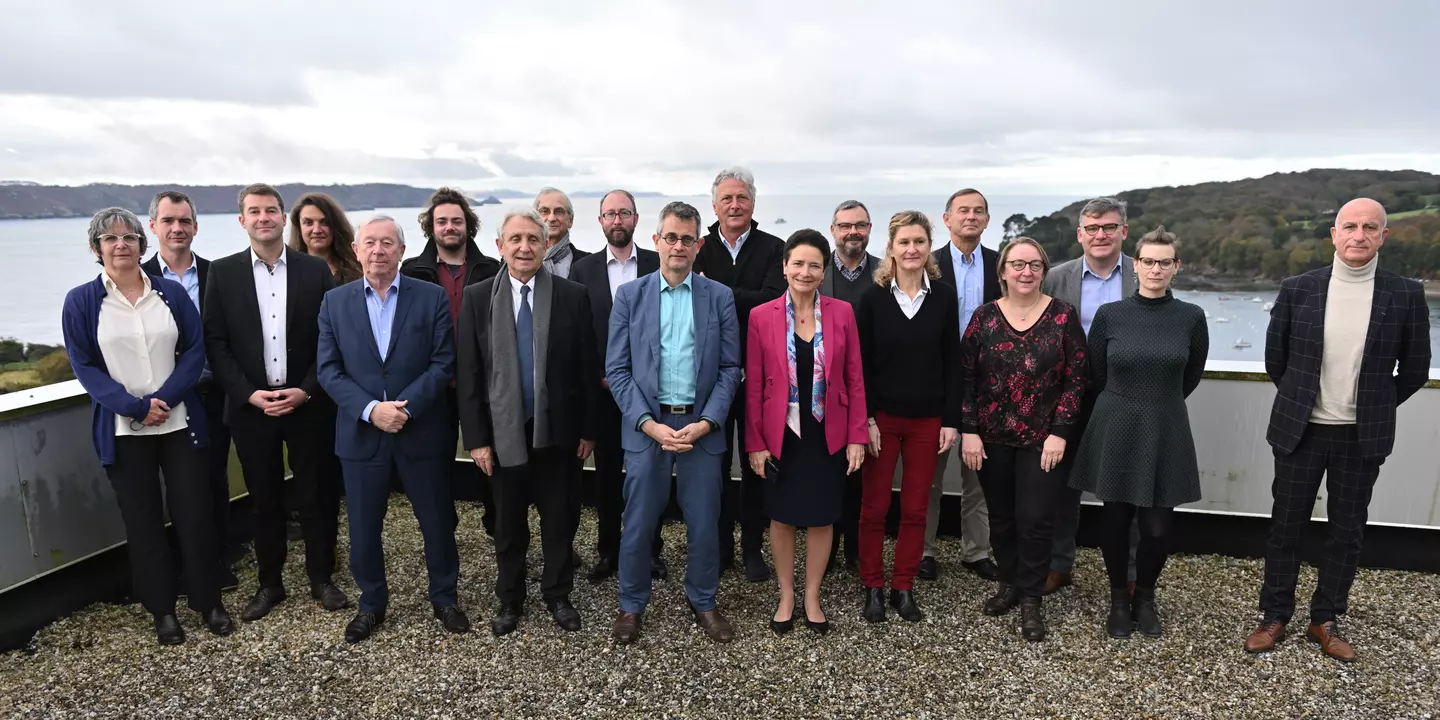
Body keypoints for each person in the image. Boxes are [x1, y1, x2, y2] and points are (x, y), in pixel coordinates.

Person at [1244, 198, 1431, 663]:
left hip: (1360, 435)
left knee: (1347, 532)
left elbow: (1414, 369)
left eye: (1370, 227)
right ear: (1333, 234)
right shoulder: (1298, 289)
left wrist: (1372, 405)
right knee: (1286, 528)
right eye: (1350, 226)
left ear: (1383, 236)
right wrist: (1306, 400)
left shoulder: (1405, 293)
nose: (1359, 235)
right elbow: (1276, 360)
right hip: (1300, 430)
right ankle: (1274, 614)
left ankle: (1324, 618)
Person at [62, 207, 233, 645]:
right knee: (143, 524)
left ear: (142, 243)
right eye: (110, 239)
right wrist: (135, 406)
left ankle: (208, 601)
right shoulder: (81, 301)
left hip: (180, 425)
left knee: (195, 516)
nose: (121, 245)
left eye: (129, 237)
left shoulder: (170, 294)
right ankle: (163, 611)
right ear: (96, 249)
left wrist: (166, 400)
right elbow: (84, 365)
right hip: (124, 433)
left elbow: (194, 351)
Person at [317, 215, 468, 643]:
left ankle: (444, 597)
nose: (379, 250)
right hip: (362, 434)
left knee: (437, 521)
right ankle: (371, 604)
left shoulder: (431, 297)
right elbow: (328, 370)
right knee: (364, 527)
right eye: (370, 243)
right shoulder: (335, 303)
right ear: (356, 249)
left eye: (388, 243)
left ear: (402, 251)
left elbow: (443, 362)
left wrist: (406, 408)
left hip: (421, 430)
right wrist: (370, 410)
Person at [203, 184, 347, 622]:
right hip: (252, 408)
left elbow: (329, 338)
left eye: (271, 210)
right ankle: (270, 584)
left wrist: (306, 389)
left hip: (307, 403)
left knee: (316, 494)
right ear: (241, 220)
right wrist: (248, 393)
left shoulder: (313, 270)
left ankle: (321, 578)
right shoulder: (222, 273)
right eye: (254, 212)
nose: (263, 218)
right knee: (264, 499)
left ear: (283, 218)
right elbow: (216, 341)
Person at [456, 207, 599, 636]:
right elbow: (470, 374)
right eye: (515, 239)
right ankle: (510, 599)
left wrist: (589, 430)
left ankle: (558, 594)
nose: (524, 247)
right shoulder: (479, 298)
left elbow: (587, 368)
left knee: (559, 521)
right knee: (508, 524)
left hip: (558, 432)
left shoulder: (572, 295)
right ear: (499, 246)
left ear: (545, 246)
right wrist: (477, 440)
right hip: (503, 436)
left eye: (533, 239)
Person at [606, 201, 741, 645]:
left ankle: (703, 600)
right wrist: (647, 423)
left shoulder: (719, 296)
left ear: (699, 245)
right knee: (640, 520)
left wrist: (707, 422)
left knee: (704, 522)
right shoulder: (630, 296)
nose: (678, 245)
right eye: (671, 237)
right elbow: (618, 371)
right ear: (656, 240)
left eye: (687, 238)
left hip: (701, 429)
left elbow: (729, 369)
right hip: (649, 427)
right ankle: (631, 604)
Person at [1067, 226, 1209, 638]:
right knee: (1114, 520)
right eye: (1148, 261)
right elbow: (1097, 372)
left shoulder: (1191, 317)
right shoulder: (1112, 315)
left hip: (1166, 424)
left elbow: (1192, 374)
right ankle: (1116, 599)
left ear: (1176, 267)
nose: (1156, 269)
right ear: (1136, 264)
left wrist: (1157, 399)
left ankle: (1144, 596)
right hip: (1117, 422)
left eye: (1165, 262)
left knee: (1158, 528)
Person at [960, 237, 1086, 641]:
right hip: (991, 437)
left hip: (1042, 439)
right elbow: (965, 379)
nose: (1025, 272)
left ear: (1044, 271)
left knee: (1035, 520)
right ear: (1003, 272)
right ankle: (1010, 582)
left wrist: (1061, 433)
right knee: (1001, 518)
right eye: (1017, 265)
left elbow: (1076, 380)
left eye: (1034, 265)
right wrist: (969, 431)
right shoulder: (984, 318)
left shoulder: (1064, 317)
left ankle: (1032, 599)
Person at [745, 229, 867, 635]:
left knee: (821, 517)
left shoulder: (842, 313)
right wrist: (756, 443)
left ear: (823, 270)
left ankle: (812, 594)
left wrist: (856, 436)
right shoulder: (761, 316)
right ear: (784, 267)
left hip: (826, 431)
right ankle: (786, 594)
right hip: (781, 433)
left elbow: (854, 379)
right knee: (781, 517)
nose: (806, 271)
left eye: (815, 264)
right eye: (798, 262)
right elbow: (756, 385)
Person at [854, 210, 962, 624]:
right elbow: (858, 366)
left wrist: (951, 420)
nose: (912, 249)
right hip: (882, 420)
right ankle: (872, 587)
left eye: (919, 241)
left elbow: (953, 361)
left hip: (927, 421)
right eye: (904, 242)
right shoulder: (872, 298)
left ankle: (903, 586)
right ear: (891, 248)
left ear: (928, 247)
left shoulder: (944, 296)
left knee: (916, 508)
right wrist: (865, 420)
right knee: (874, 507)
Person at [139, 190, 239, 591]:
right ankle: (180, 564)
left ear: (196, 227)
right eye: (168, 221)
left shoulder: (221, 275)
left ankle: (216, 560)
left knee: (214, 477)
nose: (177, 228)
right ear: (153, 227)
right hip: (159, 399)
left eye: (184, 221)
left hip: (211, 393)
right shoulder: (138, 277)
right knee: (174, 486)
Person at [569, 189, 668, 583]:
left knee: (652, 475)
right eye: (609, 214)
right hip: (604, 393)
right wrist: (597, 378)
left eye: (624, 213)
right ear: (600, 222)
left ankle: (651, 551)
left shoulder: (656, 264)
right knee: (608, 476)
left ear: (636, 219)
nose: (617, 220)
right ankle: (609, 550)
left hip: (649, 392)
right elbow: (580, 334)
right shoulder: (584, 270)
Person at [1042, 196, 1138, 595]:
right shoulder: (1056, 278)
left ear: (1123, 232)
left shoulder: (1142, 272)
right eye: (1093, 229)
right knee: (1063, 486)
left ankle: (1130, 574)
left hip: (1127, 396)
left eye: (1110, 227)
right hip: (1069, 397)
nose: (1101, 235)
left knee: (1129, 486)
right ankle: (1059, 565)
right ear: (1080, 234)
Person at [695, 166, 786, 581]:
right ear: (714, 205)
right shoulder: (697, 247)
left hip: (760, 377)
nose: (735, 205)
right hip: (707, 377)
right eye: (727, 198)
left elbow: (772, 303)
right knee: (712, 467)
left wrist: (713, 290)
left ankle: (752, 547)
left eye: (742, 198)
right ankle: (719, 546)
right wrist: (741, 298)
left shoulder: (774, 248)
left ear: (753, 203)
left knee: (755, 466)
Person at [400, 187, 503, 537]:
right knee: (435, 463)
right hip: (434, 386)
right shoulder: (412, 271)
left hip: (483, 384)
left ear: (468, 225)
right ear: (431, 226)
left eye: (456, 220)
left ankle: (498, 527)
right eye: (441, 221)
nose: (449, 227)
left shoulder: (492, 269)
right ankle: (442, 532)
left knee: (491, 462)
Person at [921, 188, 1003, 584]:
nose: (971, 216)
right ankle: (924, 551)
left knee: (979, 473)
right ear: (947, 219)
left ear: (987, 220)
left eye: (979, 211)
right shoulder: (926, 264)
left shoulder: (1001, 265)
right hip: (935, 382)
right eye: (962, 211)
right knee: (928, 474)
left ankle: (977, 551)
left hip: (989, 385)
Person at [820, 200, 880, 574]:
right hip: (821, 386)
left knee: (860, 475)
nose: (852, 232)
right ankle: (825, 550)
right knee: (827, 474)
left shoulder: (884, 273)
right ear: (833, 230)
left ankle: (856, 551)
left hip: (869, 383)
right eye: (845, 226)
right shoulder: (815, 269)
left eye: (859, 225)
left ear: (870, 229)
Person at [288, 192, 363, 284]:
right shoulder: (288, 272)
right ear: (299, 227)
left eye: (324, 222)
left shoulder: (359, 270)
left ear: (335, 225)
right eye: (308, 222)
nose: (317, 230)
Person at [534, 187, 590, 279]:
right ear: (534, 219)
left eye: (558, 211)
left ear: (570, 220)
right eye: (545, 211)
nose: (551, 218)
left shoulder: (588, 264)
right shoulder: (522, 261)